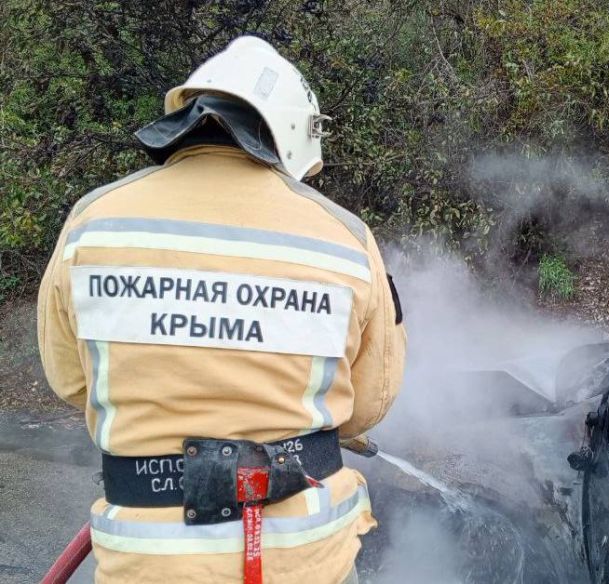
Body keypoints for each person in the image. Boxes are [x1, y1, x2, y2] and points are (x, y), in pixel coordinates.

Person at [37, 35, 405, 584]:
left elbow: (71, 379)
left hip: (147, 561)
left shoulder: (94, 221)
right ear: (293, 135)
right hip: (301, 557)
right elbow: (368, 405)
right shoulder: (344, 237)